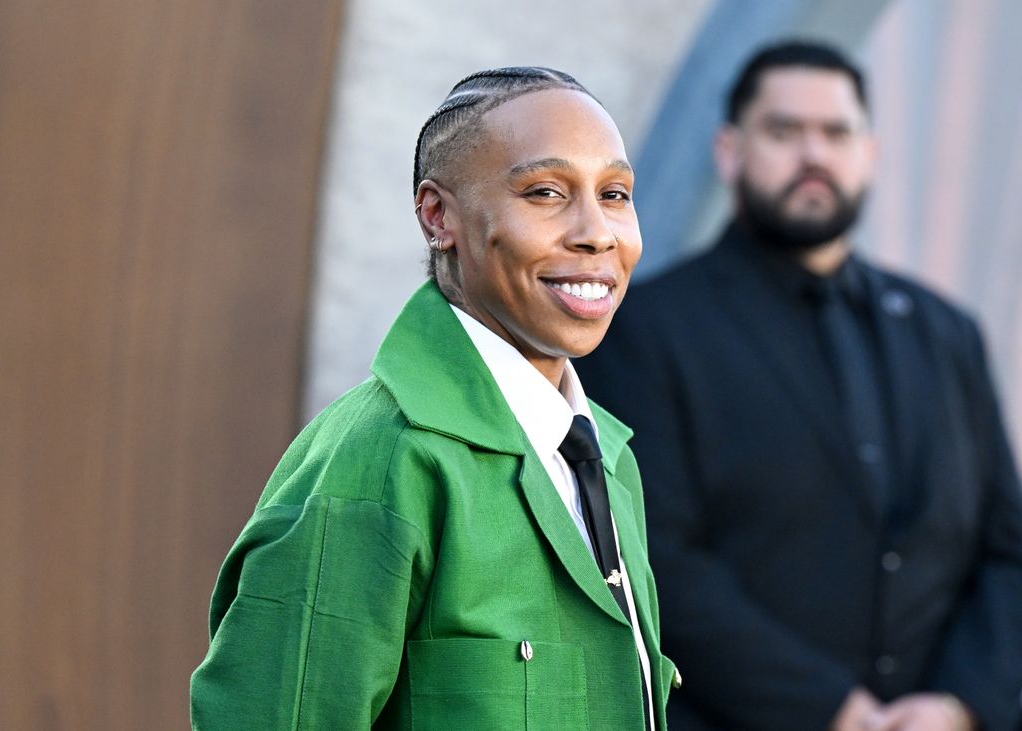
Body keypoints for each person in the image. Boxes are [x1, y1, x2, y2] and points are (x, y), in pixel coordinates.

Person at [190, 66, 681, 730]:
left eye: (615, 193)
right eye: (544, 191)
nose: (596, 232)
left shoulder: (606, 457)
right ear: (438, 215)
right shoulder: (381, 458)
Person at [577, 41, 1022, 731]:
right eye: (784, 132)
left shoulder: (947, 333)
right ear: (729, 152)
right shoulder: (647, 330)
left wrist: (958, 705)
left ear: (869, 153)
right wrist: (830, 708)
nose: (814, 154)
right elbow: (650, 557)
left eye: (836, 132)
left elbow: (1006, 549)